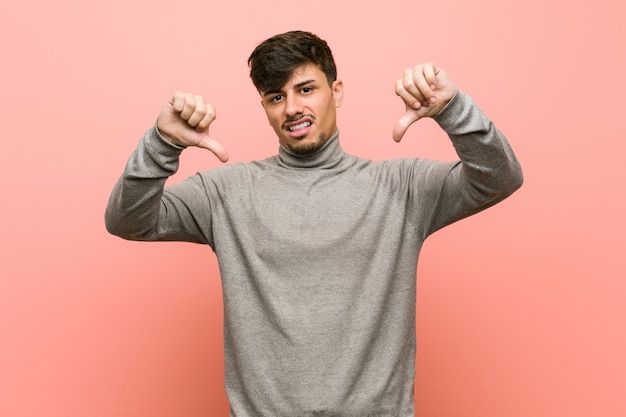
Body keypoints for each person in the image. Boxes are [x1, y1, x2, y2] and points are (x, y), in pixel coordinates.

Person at [105, 30, 523, 417]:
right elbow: (129, 220)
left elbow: (500, 178)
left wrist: (452, 110)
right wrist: (162, 144)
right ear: (265, 107)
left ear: (336, 91)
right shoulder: (226, 193)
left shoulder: (401, 187)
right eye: (275, 96)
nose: (292, 108)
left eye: (306, 89)